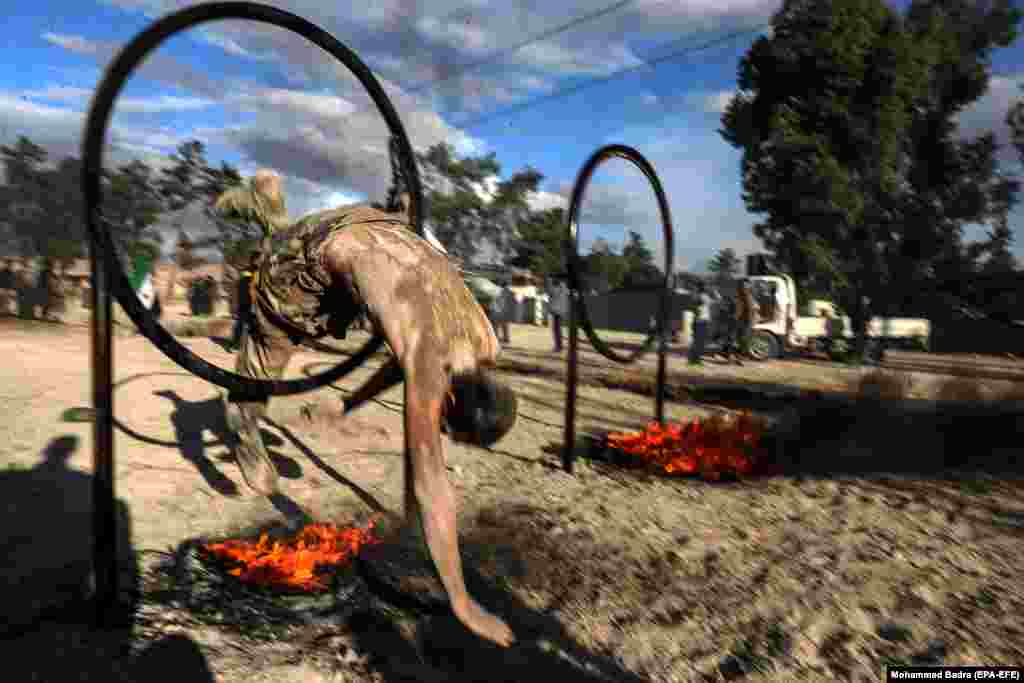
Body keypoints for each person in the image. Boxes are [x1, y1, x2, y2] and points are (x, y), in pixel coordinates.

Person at [214, 170, 518, 648]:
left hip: (361, 228)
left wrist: (350, 401)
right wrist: (461, 601)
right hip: (306, 266)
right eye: (447, 427)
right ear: (452, 399)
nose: (438, 427)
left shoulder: (483, 340)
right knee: (266, 355)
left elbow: (407, 352)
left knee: (298, 256)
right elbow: (429, 480)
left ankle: (271, 208)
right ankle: (243, 430)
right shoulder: (432, 361)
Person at [688, 282, 712, 365]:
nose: (706, 287)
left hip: (704, 321)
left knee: (701, 342)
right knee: (697, 341)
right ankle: (693, 359)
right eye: (704, 286)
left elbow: (713, 302)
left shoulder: (704, 296)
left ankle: (696, 359)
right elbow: (696, 304)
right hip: (699, 321)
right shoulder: (698, 296)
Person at [733, 278, 757, 365]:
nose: (746, 286)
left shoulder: (749, 294)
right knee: (742, 339)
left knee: (744, 339)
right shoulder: (741, 295)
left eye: (747, 284)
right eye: (744, 284)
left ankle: (740, 357)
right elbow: (740, 308)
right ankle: (739, 358)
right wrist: (737, 317)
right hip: (743, 320)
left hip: (748, 320)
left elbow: (753, 307)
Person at [546, 277, 569, 352]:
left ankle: (559, 346)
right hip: (561, 310)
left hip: (557, 311)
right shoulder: (564, 287)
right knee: (558, 329)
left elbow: (551, 293)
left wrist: (549, 283)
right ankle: (559, 346)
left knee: (557, 329)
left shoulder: (557, 288)